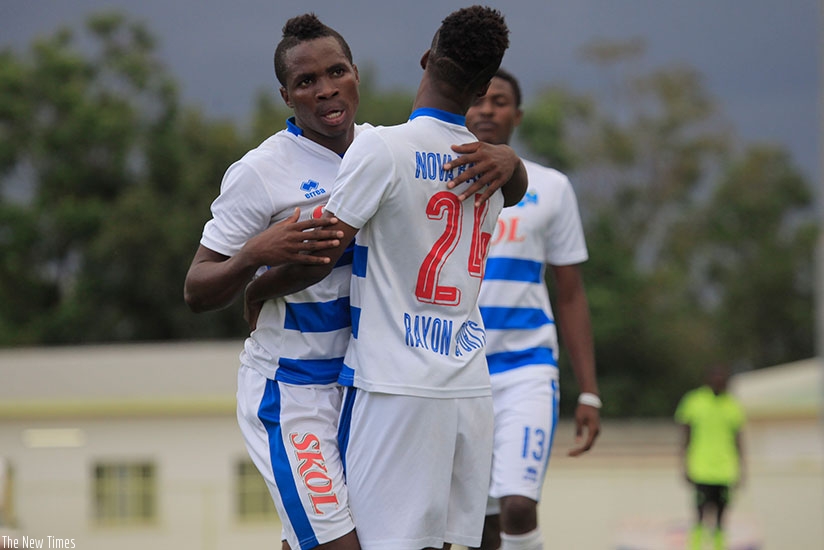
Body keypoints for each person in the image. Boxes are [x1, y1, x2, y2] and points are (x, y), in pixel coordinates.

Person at [185, 12, 525, 550]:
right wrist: (253, 255)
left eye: (335, 71)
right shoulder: (259, 171)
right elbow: (196, 288)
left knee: (319, 539)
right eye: (306, 82)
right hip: (292, 389)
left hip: (362, 388)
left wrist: (510, 160)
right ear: (286, 95)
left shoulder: (383, 147)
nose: (325, 89)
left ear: (357, 74)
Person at [464, 69, 601, 550]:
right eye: (477, 99)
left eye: (499, 101)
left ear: (516, 116)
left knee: (518, 506)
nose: (486, 110)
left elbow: (570, 294)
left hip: (527, 369)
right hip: (458, 374)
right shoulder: (435, 181)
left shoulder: (552, 187)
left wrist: (589, 392)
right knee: (479, 524)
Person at [675, 365, 746, 550]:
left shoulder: (732, 404)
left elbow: (739, 440)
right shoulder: (694, 401)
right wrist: (683, 464)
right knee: (699, 515)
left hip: (725, 470)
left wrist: (742, 468)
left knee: (722, 517)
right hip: (701, 469)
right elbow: (685, 436)